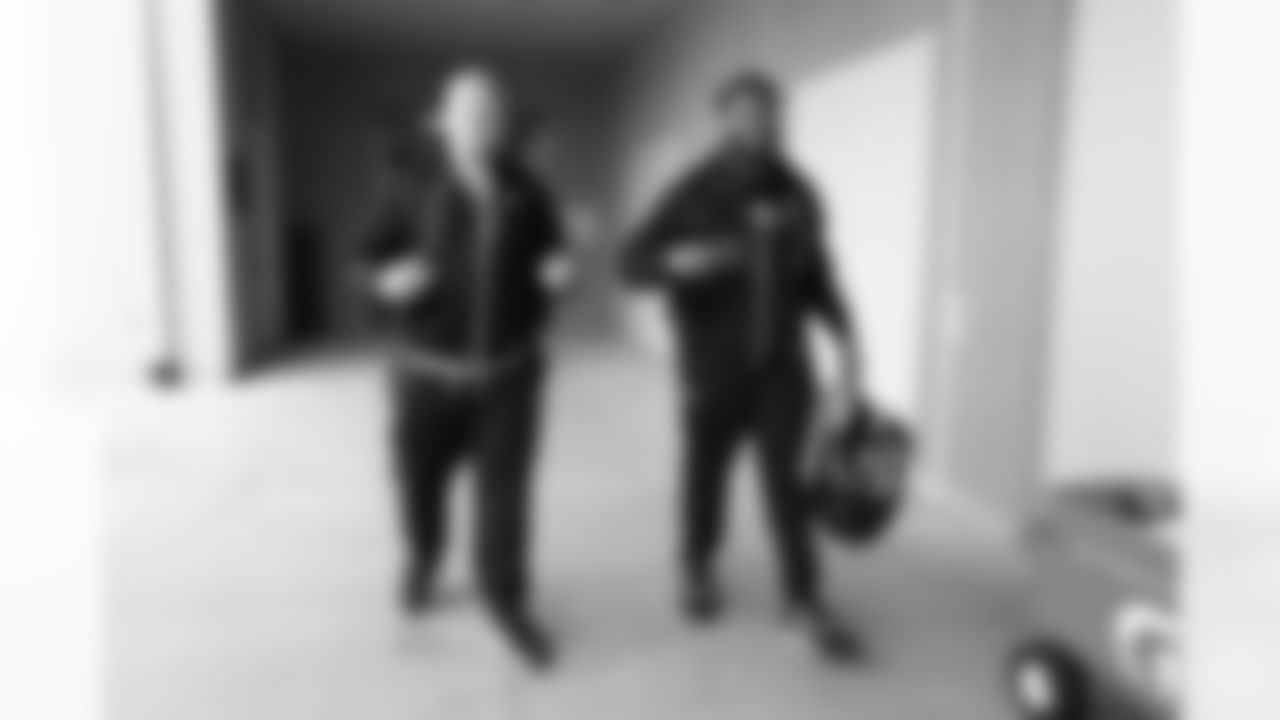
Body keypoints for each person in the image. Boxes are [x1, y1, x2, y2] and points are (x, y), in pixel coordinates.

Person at [622, 70, 865, 660]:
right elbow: (630, 263)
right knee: (705, 476)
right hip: (712, 370)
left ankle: (802, 597)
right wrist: (675, 265)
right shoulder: (693, 192)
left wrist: (848, 340)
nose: (761, 124)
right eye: (747, 113)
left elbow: (817, 277)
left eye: (770, 112)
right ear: (725, 121)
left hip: (784, 369)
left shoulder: (800, 194)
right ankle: (697, 567)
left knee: (792, 486)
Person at [362, 67, 572, 670]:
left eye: (492, 114)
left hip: (509, 375)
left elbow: (552, 256)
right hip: (426, 377)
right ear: (445, 121)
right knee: (419, 485)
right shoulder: (408, 182)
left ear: (503, 126)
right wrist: (383, 281)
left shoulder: (529, 190)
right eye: (469, 112)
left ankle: (506, 599)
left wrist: (561, 274)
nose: (482, 123)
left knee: (506, 498)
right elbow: (366, 256)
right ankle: (423, 559)